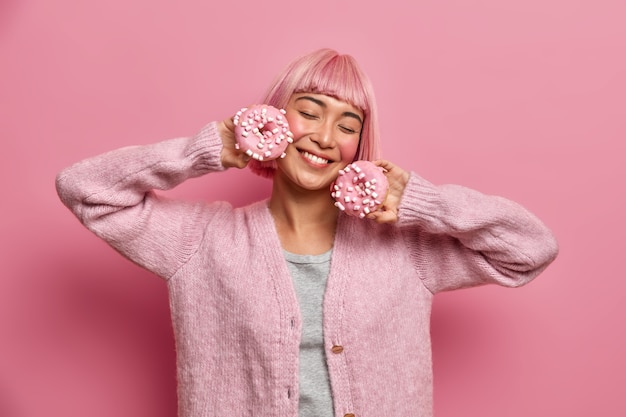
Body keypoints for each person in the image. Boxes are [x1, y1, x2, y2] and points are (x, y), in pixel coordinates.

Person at [56, 48, 559, 417]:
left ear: (359, 145)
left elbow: (530, 250)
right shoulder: (201, 242)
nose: (324, 136)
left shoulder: (407, 250)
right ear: (273, 118)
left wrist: (423, 203)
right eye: (310, 110)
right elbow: (84, 189)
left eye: (347, 124)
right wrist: (206, 150)